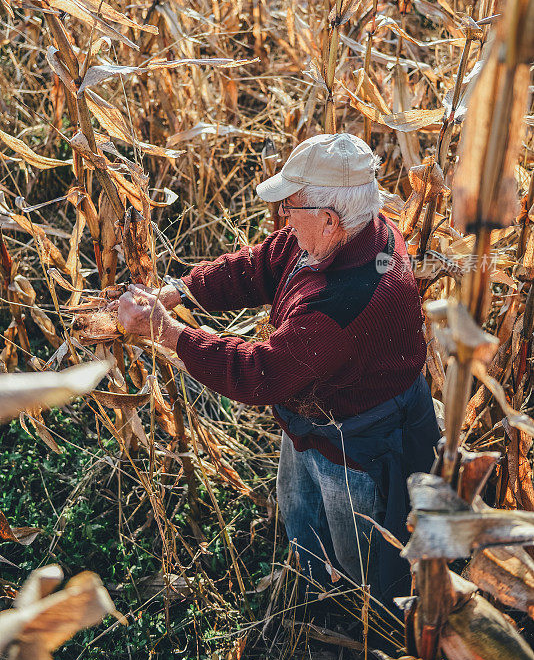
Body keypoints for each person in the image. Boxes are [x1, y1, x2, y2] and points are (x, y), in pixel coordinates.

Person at [117, 133, 440, 607]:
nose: (284, 219)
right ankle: (312, 587)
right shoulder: (352, 233)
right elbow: (259, 265)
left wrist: (167, 334)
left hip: (360, 446)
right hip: (312, 420)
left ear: (329, 220)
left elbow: (261, 374)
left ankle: (363, 626)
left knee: (365, 570)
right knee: (303, 524)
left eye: (291, 208)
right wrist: (181, 291)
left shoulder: (343, 306)